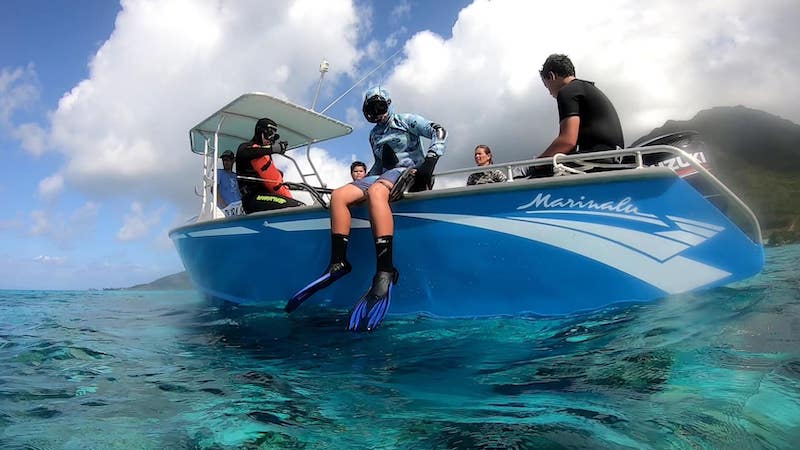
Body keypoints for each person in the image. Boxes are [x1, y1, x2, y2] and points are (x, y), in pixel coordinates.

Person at [285, 86, 447, 332]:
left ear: (388, 104)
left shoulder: (407, 120)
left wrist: (431, 160)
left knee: (376, 191)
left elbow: (439, 130)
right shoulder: (373, 135)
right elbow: (379, 166)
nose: (377, 114)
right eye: (370, 111)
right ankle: (338, 263)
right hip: (384, 175)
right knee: (339, 196)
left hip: (411, 171)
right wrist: (355, 187)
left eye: (380, 108)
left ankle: (385, 270)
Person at [532, 54, 624, 177]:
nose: (549, 92)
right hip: (614, 156)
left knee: (532, 171)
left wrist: (538, 162)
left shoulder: (567, 91)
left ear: (552, 76)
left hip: (598, 158)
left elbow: (567, 141)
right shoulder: (585, 88)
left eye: (546, 85)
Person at [235, 117, 303, 213]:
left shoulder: (264, 156)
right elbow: (246, 153)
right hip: (253, 198)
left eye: (274, 136)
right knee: (297, 207)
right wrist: (273, 149)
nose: (271, 138)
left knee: (300, 205)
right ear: (260, 131)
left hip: (267, 196)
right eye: (269, 134)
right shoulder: (245, 147)